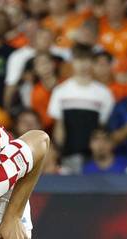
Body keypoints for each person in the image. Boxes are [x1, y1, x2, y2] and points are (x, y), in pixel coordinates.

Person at [48, 45, 114, 173]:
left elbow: (102, 128)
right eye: (79, 60)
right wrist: (60, 153)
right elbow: (59, 127)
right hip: (68, 155)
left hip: (94, 159)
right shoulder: (60, 91)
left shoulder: (104, 93)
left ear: (92, 63)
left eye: (86, 60)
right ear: (72, 62)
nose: (83, 65)